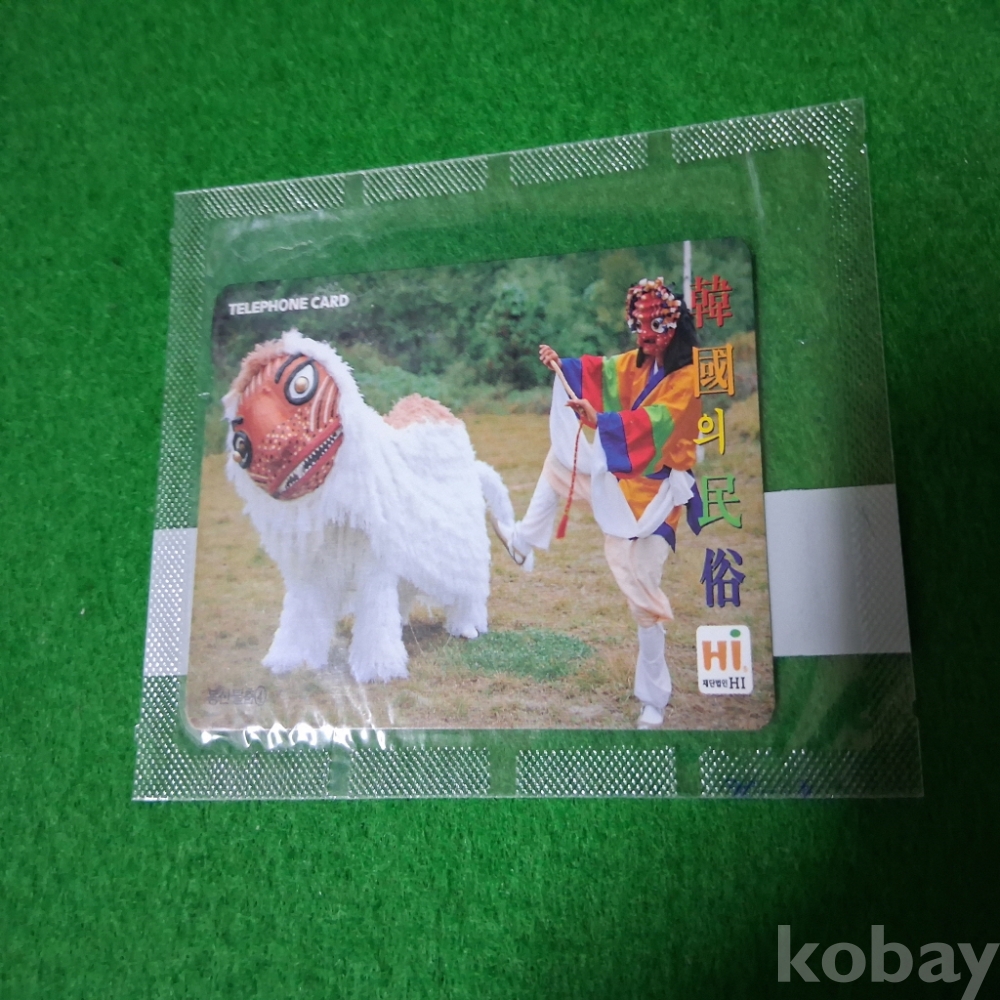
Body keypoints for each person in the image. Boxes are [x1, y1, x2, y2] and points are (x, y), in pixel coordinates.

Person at [502, 277, 702, 729]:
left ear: (673, 327)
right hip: (620, 480)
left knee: (642, 592)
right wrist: (562, 366)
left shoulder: (689, 378)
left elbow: (658, 423)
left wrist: (603, 422)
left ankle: (654, 697)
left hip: (656, 499)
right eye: (638, 327)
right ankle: (524, 540)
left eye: (654, 327)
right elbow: (600, 372)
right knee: (560, 462)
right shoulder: (637, 364)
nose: (644, 337)